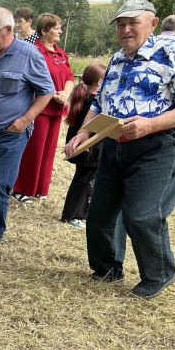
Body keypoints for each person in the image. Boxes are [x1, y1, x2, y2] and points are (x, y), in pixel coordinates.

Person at [65, 0, 175, 299]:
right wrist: (82, 132)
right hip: (114, 143)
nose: (126, 29)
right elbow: (101, 102)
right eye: (121, 24)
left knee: (141, 215)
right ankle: (107, 269)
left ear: (153, 24)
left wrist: (150, 125)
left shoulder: (173, 51)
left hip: (158, 145)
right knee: (101, 212)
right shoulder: (117, 58)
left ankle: (159, 273)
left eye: (133, 23)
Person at [0, 7, 54, 256]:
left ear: (8, 30)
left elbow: (46, 91)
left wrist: (24, 120)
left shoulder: (29, 55)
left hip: (12, 132)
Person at [12, 13, 75, 203]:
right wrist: (52, 95)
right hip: (39, 107)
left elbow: (70, 77)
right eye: (56, 28)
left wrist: (64, 93)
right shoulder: (33, 51)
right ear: (44, 30)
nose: (60, 31)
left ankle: (41, 188)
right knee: (34, 150)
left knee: (48, 151)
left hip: (57, 109)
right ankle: (22, 189)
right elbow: (29, 78)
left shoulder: (60, 52)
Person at [60, 63, 106, 228]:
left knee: (87, 181)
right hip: (88, 149)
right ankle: (71, 214)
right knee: (82, 182)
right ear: (101, 82)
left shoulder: (84, 97)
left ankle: (80, 213)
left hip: (87, 150)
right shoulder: (94, 103)